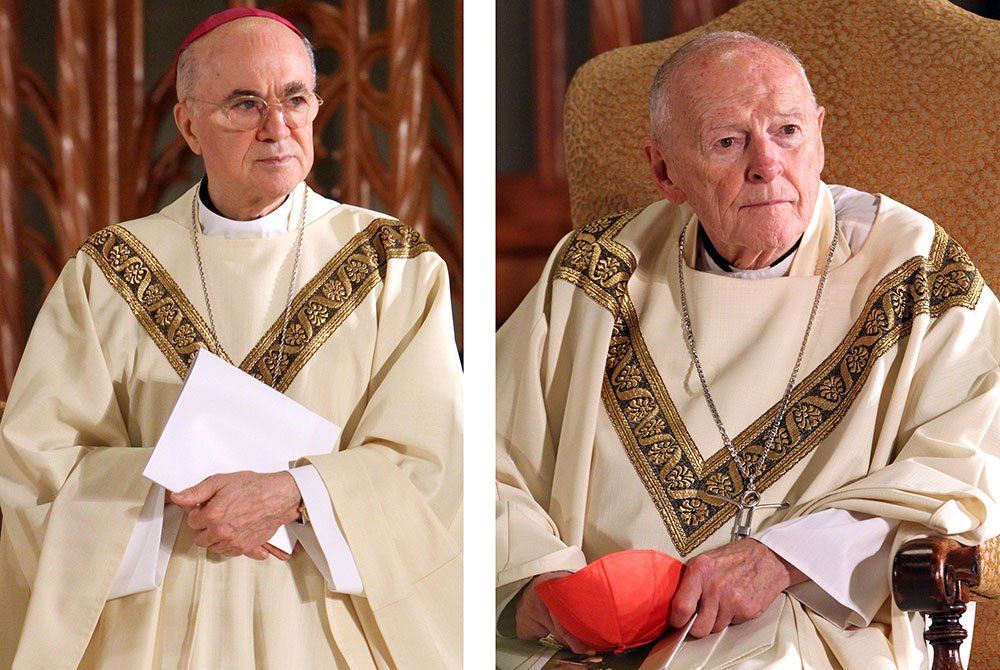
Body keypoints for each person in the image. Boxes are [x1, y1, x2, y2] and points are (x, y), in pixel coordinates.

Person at [496, 31, 1000, 669]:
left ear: (819, 134)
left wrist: (785, 558)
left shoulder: (915, 271)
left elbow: (968, 464)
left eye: (788, 131)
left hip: (803, 626)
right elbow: (480, 450)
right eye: (727, 142)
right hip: (584, 642)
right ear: (664, 170)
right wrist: (533, 584)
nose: (767, 163)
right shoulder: (597, 269)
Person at [0, 8, 462, 669]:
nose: (277, 128)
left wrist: (296, 491)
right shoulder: (108, 272)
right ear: (189, 125)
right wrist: (169, 488)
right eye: (245, 104)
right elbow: (34, 470)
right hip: (155, 628)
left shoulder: (393, 265)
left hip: (329, 625)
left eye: (294, 98)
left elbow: (435, 464)